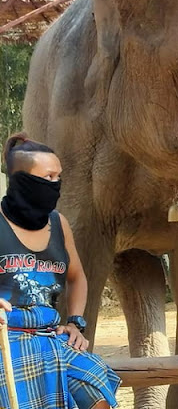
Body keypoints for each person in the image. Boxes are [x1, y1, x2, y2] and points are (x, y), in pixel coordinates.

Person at [0, 134, 120, 409]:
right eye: (48, 177)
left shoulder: (59, 224)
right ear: (22, 182)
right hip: (7, 338)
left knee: (98, 394)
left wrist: (76, 322)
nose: (56, 185)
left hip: (52, 336)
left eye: (58, 177)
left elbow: (77, 278)